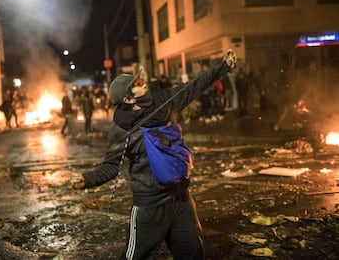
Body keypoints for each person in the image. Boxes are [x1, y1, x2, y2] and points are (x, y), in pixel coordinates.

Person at [72, 49, 237, 259]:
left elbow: (195, 85)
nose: (141, 81)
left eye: (138, 79)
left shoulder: (166, 101)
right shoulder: (122, 129)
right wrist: (86, 180)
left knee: (193, 253)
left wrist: (223, 67)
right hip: (149, 206)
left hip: (181, 199)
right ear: (128, 100)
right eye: (135, 85)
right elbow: (111, 166)